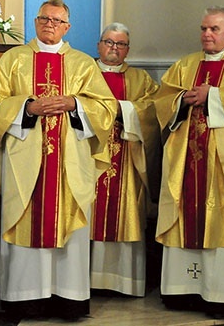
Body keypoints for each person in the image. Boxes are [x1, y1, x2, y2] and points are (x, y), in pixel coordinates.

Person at [0, 0, 116, 321]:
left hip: (69, 162)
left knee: (69, 226)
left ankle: (68, 299)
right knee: (25, 220)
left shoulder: (84, 64)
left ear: (67, 27)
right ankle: (24, 299)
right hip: (25, 160)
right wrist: (26, 108)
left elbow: (107, 107)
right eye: (44, 19)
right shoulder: (13, 60)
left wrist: (75, 104)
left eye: (57, 21)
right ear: (35, 22)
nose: (50, 25)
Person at [154, 6, 224, 319]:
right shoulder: (186, 64)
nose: (207, 35)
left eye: (214, 29)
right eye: (203, 29)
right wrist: (180, 101)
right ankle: (183, 292)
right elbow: (162, 100)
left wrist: (213, 97)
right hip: (187, 161)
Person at [89, 22, 160, 297]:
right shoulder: (84, 71)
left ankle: (123, 282)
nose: (113, 49)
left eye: (120, 44)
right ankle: (85, 279)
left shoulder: (140, 79)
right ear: (99, 45)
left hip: (127, 156)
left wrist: (124, 110)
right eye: (109, 42)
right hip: (92, 155)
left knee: (125, 212)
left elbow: (152, 111)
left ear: (128, 50)